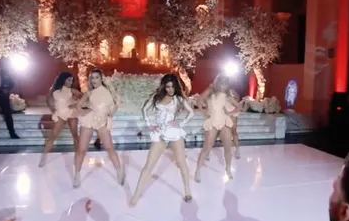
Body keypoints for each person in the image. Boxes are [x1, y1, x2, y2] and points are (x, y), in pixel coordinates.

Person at [129, 74, 194, 206]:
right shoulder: (157, 97)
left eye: (172, 87)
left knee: (181, 162)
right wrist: (149, 124)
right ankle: (136, 195)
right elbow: (144, 109)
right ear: (164, 86)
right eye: (168, 87)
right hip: (159, 133)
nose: (170, 89)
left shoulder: (178, 99)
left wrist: (180, 123)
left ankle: (187, 191)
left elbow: (191, 112)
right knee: (148, 166)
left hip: (174, 133)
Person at [74, 69, 123, 188]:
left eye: (96, 77)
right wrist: (84, 112)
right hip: (89, 120)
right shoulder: (89, 93)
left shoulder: (109, 92)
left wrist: (110, 114)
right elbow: (79, 105)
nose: (94, 80)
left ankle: (119, 172)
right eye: (92, 78)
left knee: (109, 148)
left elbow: (115, 105)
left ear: (101, 78)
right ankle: (77, 174)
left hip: (102, 121)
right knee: (81, 149)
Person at [195, 75, 240, 182]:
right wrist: (204, 112)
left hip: (224, 121)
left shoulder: (228, 95)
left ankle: (228, 169)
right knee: (206, 148)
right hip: (213, 121)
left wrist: (230, 113)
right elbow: (199, 101)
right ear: (218, 82)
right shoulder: (210, 91)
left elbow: (238, 106)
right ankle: (198, 170)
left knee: (228, 148)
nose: (224, 86)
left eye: (226, 83)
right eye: (222, 83)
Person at [40, 72, 81, 167]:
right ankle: (44, 156)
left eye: (72, 80)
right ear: (63, 80)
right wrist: (53, 109)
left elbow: (84, 98)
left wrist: (76, 103)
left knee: (75, 136)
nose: (71, 82)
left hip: (71, 113)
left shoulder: (72, 90)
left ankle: (77, 156)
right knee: (53, 136)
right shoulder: (54, 91)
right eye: (69, 80)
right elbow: (48, 100)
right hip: (60, 114)